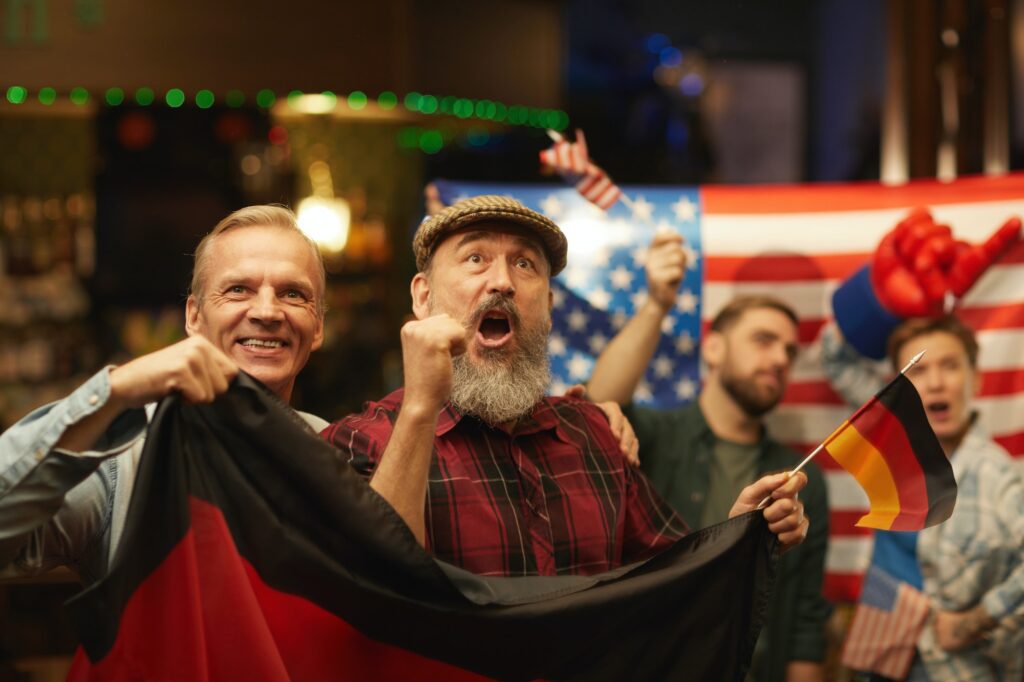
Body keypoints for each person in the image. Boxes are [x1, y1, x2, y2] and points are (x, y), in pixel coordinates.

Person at [322, 195, 809, 577]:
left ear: (550, 307)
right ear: (423, 297)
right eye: (475, 258)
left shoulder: (596, 436)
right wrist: (420, 409)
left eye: (525, 264)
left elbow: (674, 585)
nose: (503, 282)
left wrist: (742, 531)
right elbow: (367, 594)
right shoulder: (358, 442)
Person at [0, 205, 327, 582]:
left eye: (292, 294)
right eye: (238, 289)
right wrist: (115, 391)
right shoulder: (124, 462)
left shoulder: (336, 453)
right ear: (194, 317)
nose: (268, 311)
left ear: (317, 325)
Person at [585, 230, 829, 682]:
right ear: (714, 347)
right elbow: (597, 404)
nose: (780, 358)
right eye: (763, 340)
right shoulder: (653, 436)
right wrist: (658, 303)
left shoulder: (801, 477)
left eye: (789, 351)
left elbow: (805, 622)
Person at [824, 316, 1024, 681]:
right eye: (919, 369)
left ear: (975, 379)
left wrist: (975, 620)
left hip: (948, 669)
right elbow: (834, 354)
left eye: (950, 366)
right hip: (878, 655)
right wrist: (886, 296)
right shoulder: (886, 433)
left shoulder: (996, 477)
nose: (934, 383)